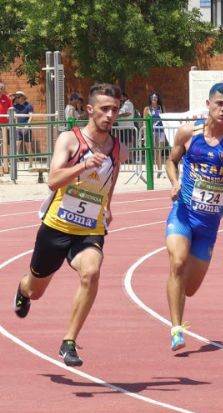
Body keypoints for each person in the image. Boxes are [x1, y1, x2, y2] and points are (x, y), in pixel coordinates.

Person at [13, 83, 127, 367]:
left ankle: (69, 342)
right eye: (104, 109)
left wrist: (108, 207)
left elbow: (109, 181)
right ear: (89, 110)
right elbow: (53, 180)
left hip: (89, 229)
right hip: (56, 227)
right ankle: (23, 289)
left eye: (114, 109)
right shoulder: (70, 139)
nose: (110, 115)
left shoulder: (118, 150)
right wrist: (83, 166)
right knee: (36, 289)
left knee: (91, 272)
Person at [165, 82, 223, 352]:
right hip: (183, 213)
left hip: (209, 222)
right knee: (177, 263)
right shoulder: (189, 132)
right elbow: (171, 161)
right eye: (219, 104)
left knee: (190, 288)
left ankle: (178, 302)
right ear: (209, 104)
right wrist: (175, 182)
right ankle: (176, 329)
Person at [142, 92, 166, 174]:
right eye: (152, 97)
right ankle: (151, 170)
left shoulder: (161, 108)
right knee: (151, 151)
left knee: (159, 151)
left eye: (156, 97)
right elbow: (144, 122)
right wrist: (145, 135)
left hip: (160, 131)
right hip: (151, 131)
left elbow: (165, 120)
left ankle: (160, 170)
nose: (154, 99)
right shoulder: (147, 109)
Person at [12, 91, 35, 166]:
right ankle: (14, 165)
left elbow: (31, 116)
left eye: (18, 97)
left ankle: (31, 164)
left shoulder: (29, 105)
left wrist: (27, 126)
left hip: (26, 128)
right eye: (16, 97)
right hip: (18, 128)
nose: (17, 98)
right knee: (16, 146)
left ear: (23, 97)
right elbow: (14, 116)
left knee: (28, 147)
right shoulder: (15, 106)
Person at [0, 82, 11, 174]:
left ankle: (5, 164)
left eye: (2, 88)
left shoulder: (7, 98)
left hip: (4, 125)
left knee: (4, 144)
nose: (1, 90)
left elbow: (11, 109)